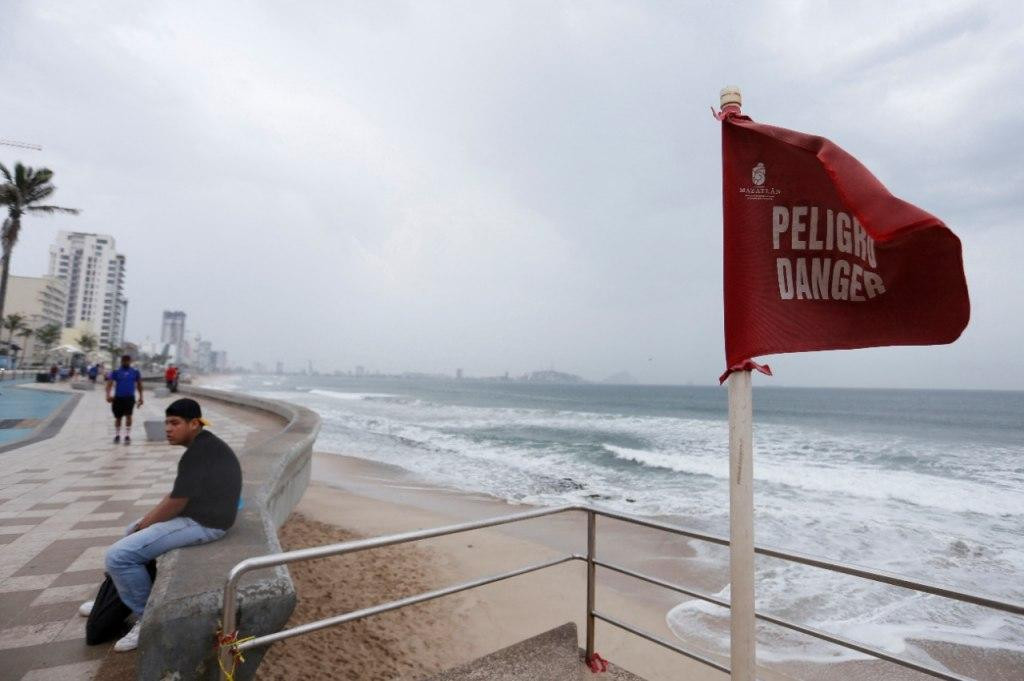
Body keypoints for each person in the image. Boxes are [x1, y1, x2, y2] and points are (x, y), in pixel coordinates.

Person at [79, 398, 242, 652]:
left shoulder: (199, 452)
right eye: (166, 422)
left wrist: (145, 525)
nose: (168, 429)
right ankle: (113, 601)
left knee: (118, 556)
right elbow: (176, 496)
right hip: (196, 514)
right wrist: (142, 524)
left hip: (206, 523)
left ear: (194, 424)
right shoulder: (203, 445)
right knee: (129, 533)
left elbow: (176, 502)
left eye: (174, 423)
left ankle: (148, 618)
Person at [105, 355, 144, 444]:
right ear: (121, 361)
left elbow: (140, 385)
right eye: (124, 361)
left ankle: (127, 435)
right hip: (118, 398)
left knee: (129, 416)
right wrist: (108, 395)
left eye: (127, 361)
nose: (126, 362)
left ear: (130, 361)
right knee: (118, 418)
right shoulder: (116, 372)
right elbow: (109, 384)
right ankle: (117, 435)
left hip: (130, 398)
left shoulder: (135, 372)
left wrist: (141, 397)